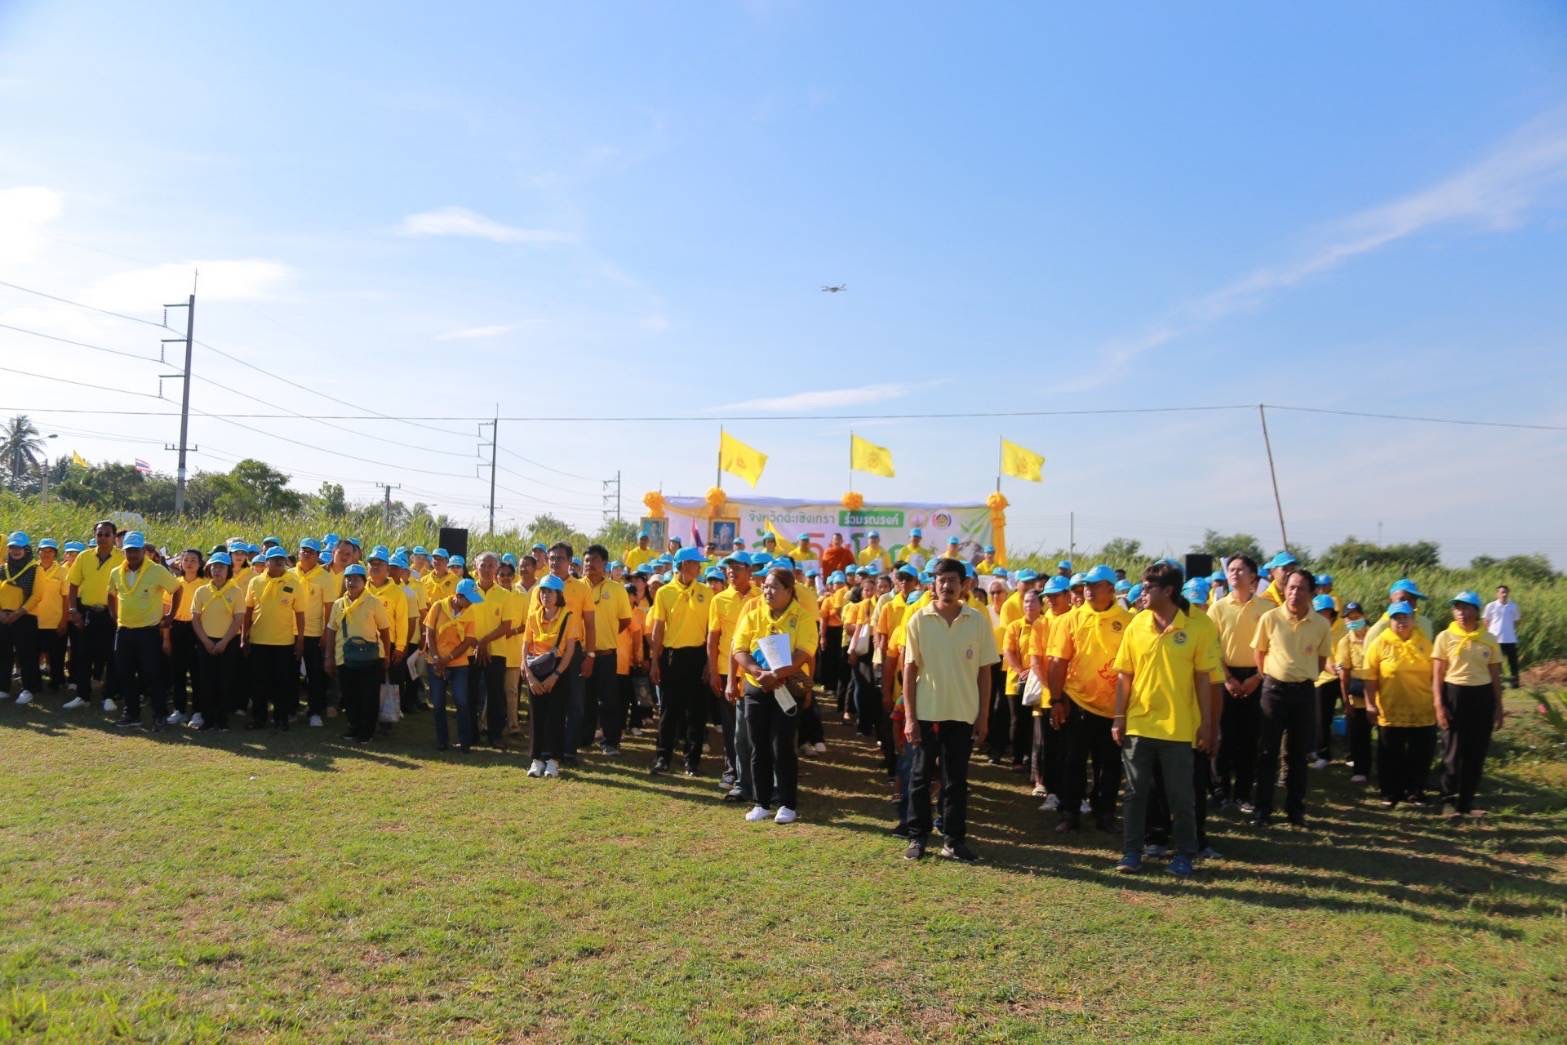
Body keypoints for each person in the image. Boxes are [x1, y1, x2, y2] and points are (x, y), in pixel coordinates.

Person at [1110, 562, 1219, 877]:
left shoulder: (1198, 625)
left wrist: (1208, 724)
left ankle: (1184, 854)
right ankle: (1132, 852)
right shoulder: (1137, 624)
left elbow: (1204, 680)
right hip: (1138, 724)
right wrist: (1119, 717)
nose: (1141, 593)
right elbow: (1124, 675)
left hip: (1179, 728)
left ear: (1168, 591)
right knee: (1134, 793)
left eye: (1147, 587)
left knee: (1181, 797)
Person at [901, 557, 1001, 862]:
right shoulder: (919, 620)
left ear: (965, 585)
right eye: (941, 580)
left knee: (956, 780)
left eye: (953, 581)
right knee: (919, 778)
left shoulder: (977, 621)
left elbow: (985, 673)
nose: (947, 586)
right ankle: (918, 837)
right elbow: (908, 670)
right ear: (933, 584)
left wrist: (983, 715)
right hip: (927, 713)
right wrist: (909, 717)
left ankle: (953, 839)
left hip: (962, 714)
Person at [1047, 564, 1130, 834]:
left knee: (1109, 765)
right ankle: (1070, 812)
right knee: (1073, 761)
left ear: (1110, 589)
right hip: (1077, 702)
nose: (1088, 590)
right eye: (1086, 585)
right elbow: (1058, 662)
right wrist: (1056, 700)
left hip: (1112, 706)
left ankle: (1104, 812)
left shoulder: (1127, 621)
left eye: (1095, 585)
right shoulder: (1070, 619)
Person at [732, 565, 819, 824]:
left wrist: (776, 675)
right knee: (758, 745)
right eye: (765, 586)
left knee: (783, 745)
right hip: (756, 687)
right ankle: (762, 802)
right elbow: (739, 648)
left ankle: (788, 804)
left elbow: (802, 653)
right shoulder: (753, 614)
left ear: (789, 590)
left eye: (774, 587)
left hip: (785, 689)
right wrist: (759, 672)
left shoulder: (802, 618)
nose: (767, 591)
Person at [1251, 568, 1333, 828]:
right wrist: (1273, 677)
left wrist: (1301, 676)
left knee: (1298, 754)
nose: (1295, 593)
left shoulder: (1321, 624)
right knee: (1267, 751)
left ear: (1312, 593)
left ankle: (1295, 811)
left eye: (1301, 588)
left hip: (1304, 692)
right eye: (1291, 587)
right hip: (1273, 690)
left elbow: (1321, 661)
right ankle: (1262, 810)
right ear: (1284, 589)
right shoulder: (1270, 618)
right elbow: (1260, 654)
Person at [1432, 591, 1506, 817]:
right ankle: (1448, 801)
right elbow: (1437, 674)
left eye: (1466, 608)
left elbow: (1495, 675)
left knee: (1476, 751)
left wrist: (1498, 707)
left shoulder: (1489, 638)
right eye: (1457, 608)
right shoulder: (1445, 637)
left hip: (1481, 696)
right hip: (1454, 694)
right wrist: (1439, 705)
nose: (1461, 613)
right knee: (1453, 751)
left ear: (1476, 611)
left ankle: (1467, 802)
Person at [1207, 554, 1269, 813]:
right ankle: (1221, 791)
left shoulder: (1267, 610)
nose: (1234, 574)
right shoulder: (1218, 608)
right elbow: (1211, 647)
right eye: (1231, 570)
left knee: (1250, 736)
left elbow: (1272, 648)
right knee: (1225, 736)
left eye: (1240, 570)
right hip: (1226, 676)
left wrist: (1257, 677)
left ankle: (1244, 792)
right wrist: (1228, 679)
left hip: (1257, 676)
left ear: (1253, 577)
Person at [1362, 601, 1435, 807]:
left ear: (1413, 619)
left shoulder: (1425, 642)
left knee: (1419, 753)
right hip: (1390, 709)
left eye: (1405, 617)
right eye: (1396, 618)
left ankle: (1415, 792)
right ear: (1390, 621)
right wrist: (1369, 704)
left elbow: (1436, 674)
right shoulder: (1380, 643)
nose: (1401, 621)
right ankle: (1390, 793)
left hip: (1422, 709)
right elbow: (1369, 678)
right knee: (1389, 754)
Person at [106, 532, 181, 729]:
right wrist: (114, 617)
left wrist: (171, 616)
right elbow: (111, 594)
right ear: (124, 551)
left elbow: (177, 589)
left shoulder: (156, 570)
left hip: (148, 631)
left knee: (152, 673)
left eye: (136, 550)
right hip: (124, 631)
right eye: (129, 550)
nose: (132, 554)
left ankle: (160, 714)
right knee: (125, 672)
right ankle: (132, 714)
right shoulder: (116, 572)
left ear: (143, 551)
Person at [648, 546, 712, 776]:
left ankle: (692, 761)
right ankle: (663, 758)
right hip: (672, 657)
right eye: (696, 563)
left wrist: (709, 663)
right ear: (685, 565)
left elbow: (711, 631)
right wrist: (654, 661)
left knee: (696, 712)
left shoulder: (707, 592)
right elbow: (657, 630)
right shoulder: (664, 592)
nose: (699, 567)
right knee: (669, 711)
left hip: (697, 656)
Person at [707, 552, 759, 799]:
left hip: (754, 672)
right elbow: (713, 638)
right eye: (728, 568)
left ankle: (754, 774)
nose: (731, 572)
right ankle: (732, 772)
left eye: (737, 567)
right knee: (731, 728)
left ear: (750, 571)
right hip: (728, 671)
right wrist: (714, 671)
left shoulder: (762, 596)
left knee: (753, 727)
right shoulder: (719, 600)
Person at [323, 562, 392, 744]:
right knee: (350, 695)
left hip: (370, 658)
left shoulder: (374, 602)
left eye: (355, 579)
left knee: (369, 696)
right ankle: (354, 728)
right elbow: (331, 630)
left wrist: (386, 655)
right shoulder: (338, 604)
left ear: (363, 581)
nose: (350, 582)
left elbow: (385, 630)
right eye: (348, 579)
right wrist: (329, 656)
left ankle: (367, 732)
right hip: (344, 657)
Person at [523, 574, 581, 777]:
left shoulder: (569, 616)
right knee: (536, 716)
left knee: (556, 715)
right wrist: (529, 676)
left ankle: (553, 760)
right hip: (535, 667)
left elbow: (570, 650)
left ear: (559, 594)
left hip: (558, 669)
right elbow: (525, 646)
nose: (546, 595)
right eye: (543, 591)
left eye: (550, 591)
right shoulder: (533, 616)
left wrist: (556, 674)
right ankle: (536, 759)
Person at [242, 546, 306, 731]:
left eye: (281, 559)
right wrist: (244, 637)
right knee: (259, 682)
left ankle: (281, 718)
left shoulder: (294, 582)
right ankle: (259, 718)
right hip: (259, 640)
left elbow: (300, 614)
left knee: (282, 682)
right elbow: (248, 611)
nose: (279, 562)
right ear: (266, 562)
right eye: (274, 559)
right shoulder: (255, 582)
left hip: (283, 642)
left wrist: (300, 640)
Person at [65, 519, 124, 711]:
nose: (103, 538)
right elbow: (73, 584)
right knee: (83, 655)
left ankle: (109, 696)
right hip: (88, 611)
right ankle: (83, 695)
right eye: (99, 534)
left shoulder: (123, 558)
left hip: (113, 613)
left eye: (107, 534)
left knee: (111, 656)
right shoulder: (84, 556)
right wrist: (73, 610)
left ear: (114, 537)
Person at [582, 544, 633, 756]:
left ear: (604, 563)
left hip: (606, 655)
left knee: (609, 701)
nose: (588, 564)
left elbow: (624, 620)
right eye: (586, 560)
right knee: (583, 700)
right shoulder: (576, 587)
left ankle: (610, 742)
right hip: (581, 654)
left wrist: (607, 635)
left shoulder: (617, 589)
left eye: (593, 560)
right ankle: (583, 738)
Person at [424, 578, 483, 752]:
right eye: (469, 598)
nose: (471, 602)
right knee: (438, 702)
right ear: (458, 596)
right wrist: (436, 658)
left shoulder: (470, 611)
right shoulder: (438, 606)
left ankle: (465, 742)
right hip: (435, 661)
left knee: (462, 701)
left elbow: (468, 641)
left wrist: (446, 659)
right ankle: (442, 741)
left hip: (458, 663)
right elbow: (430, 632)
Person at [190, 551, 244, 731]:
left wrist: (223, 642)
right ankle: (207, 718)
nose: (217, 570)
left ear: (228, 569)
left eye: (221, 567)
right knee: (206, 681)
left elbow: (238, 620)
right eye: (214, 566)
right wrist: (206, 642)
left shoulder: (236, 592)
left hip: (228, 642)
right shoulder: (201, 591)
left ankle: (222, 719)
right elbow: (196, 619)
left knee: (225, 681)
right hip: (206, 641)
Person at [290, 538, 331, 727]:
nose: (307, 554)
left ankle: (315, 711)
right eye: (304, 550)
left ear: (317, 555)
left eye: (312, 552)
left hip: (314, 633)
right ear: (298, 552)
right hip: (289, 632)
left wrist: (325, 633)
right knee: (289, 673)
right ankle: (290, 709)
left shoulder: (325, 577)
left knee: (315, 674)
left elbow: (328, 608)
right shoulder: (289, 574)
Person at [1334, 602, 1375, 784]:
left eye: (1356, 617)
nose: (1353, 622)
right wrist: (1346, 702)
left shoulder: (1376, 636)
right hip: (1357, 695)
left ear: (1364, 616)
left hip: (1380, 691)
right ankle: (1361, 770)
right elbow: (1344, 675)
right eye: (1349, 618)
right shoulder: (1345, 642)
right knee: (1360, 736)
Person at [164, 548, 205, 724]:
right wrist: (166, 638)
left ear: (200, 564)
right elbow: (166, 611)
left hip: (197, 630)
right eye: (186, 560)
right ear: (180, 563)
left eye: (193, 560)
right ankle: (179, 710)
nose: (189, 563)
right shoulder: (174, 584)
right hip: (177, 629)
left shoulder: (205, 584)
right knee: (177, 672)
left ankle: (198, 711)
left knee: (197, 673)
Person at [0, 531, 42, 705]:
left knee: (27, 655)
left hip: (24, 617)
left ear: (26, 549)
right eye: (12, 547)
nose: (15, 551)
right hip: (3, 617)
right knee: (3, 654)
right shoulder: (2, 568)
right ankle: (3, 688)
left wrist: (18, 613)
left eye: (19, 547)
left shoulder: (35, 568)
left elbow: (37, 595)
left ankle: (28, 689)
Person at [28, 538, 69, 697]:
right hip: (34, 621)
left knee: (57, 656)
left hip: (54, 621)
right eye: (43, 551)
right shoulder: (31, 569)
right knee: (33, 656)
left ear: (55, 554)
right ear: (38, 552)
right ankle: (34, 683)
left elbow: (66, 598)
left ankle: (56, 682)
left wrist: (64, 620)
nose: (46, 554)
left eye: (50, 551)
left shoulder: (62, 571)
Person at [1309, 595, 1343, 770]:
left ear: (1331, 612)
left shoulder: (1342, 627)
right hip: (1323, 677)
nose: (1322, 615)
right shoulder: (1311, 628)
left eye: (1325, 612)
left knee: (1352, 714)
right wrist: (1330, 668)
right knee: (1322, 718)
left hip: (1345, 675)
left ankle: (1351, 753)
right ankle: (1323, 754)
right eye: (1318, 612)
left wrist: (1341, 668)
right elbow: (1317, 653)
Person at [1482, 585, 1522, 688]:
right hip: (1495, 639)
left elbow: (1516, 621)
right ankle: (1498, 683)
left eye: (1505, 592)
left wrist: (1510, 630)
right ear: (1497, 594)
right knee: (1496, 662)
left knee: (1513, 662)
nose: (1504, 594)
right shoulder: (1490, 606)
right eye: (1502, 592)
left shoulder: (1513, 606)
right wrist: (1488, 634)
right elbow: (1486, 621)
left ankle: (1515, 683)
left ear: (1508, 593)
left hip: (1510, 639)